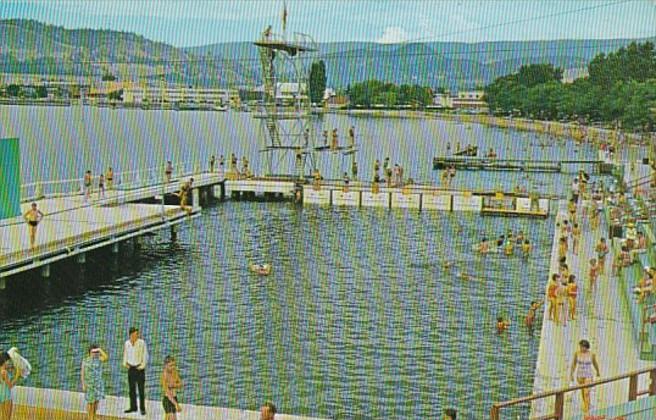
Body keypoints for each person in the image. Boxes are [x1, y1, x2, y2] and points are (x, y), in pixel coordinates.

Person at [570, 339, 600, 414]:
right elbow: (573, 364)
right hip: (580, 375)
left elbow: (595, 363)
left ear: (586, 347)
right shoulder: (577, 353)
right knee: (583, 391)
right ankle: (586, 404)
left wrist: (597, 371)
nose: (581, 348)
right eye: (581, 346)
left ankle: (587, 410)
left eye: (583, 347)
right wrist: (571, 374)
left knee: (587, 392)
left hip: (588, 375)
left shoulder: (591, 354)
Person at [122, 327, 148, 415]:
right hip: (131, 368)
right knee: (131, 389)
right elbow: (125, 354)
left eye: (137, 334)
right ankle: (133, 407)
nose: (136, 336)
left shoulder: (142, 343)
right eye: (134, 334)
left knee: (141, 390)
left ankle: (142, 408)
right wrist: (125, 363)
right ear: (130, 335)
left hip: (139, 368)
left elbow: (145, 355)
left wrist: (142, 366)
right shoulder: (127, 343)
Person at [81, 345, 108, 420]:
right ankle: (90, 417)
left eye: (96, 352)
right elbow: (82, 373)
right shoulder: (85, 361)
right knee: (90, 402)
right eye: (93, 352)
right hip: (89, 384)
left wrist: (99, 349)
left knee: (96, 401)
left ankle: (94, 416)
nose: (95, 353)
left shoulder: (98, 359)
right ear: (89, 352)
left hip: (98, 384)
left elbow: (106, 357)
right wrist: (83, 384)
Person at [0, 352, 21, 420]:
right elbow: (10, 386)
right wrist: (17, 376)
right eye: (8, 361)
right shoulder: (4, 372)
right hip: (6, 397)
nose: (9, 362)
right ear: (4, 361)